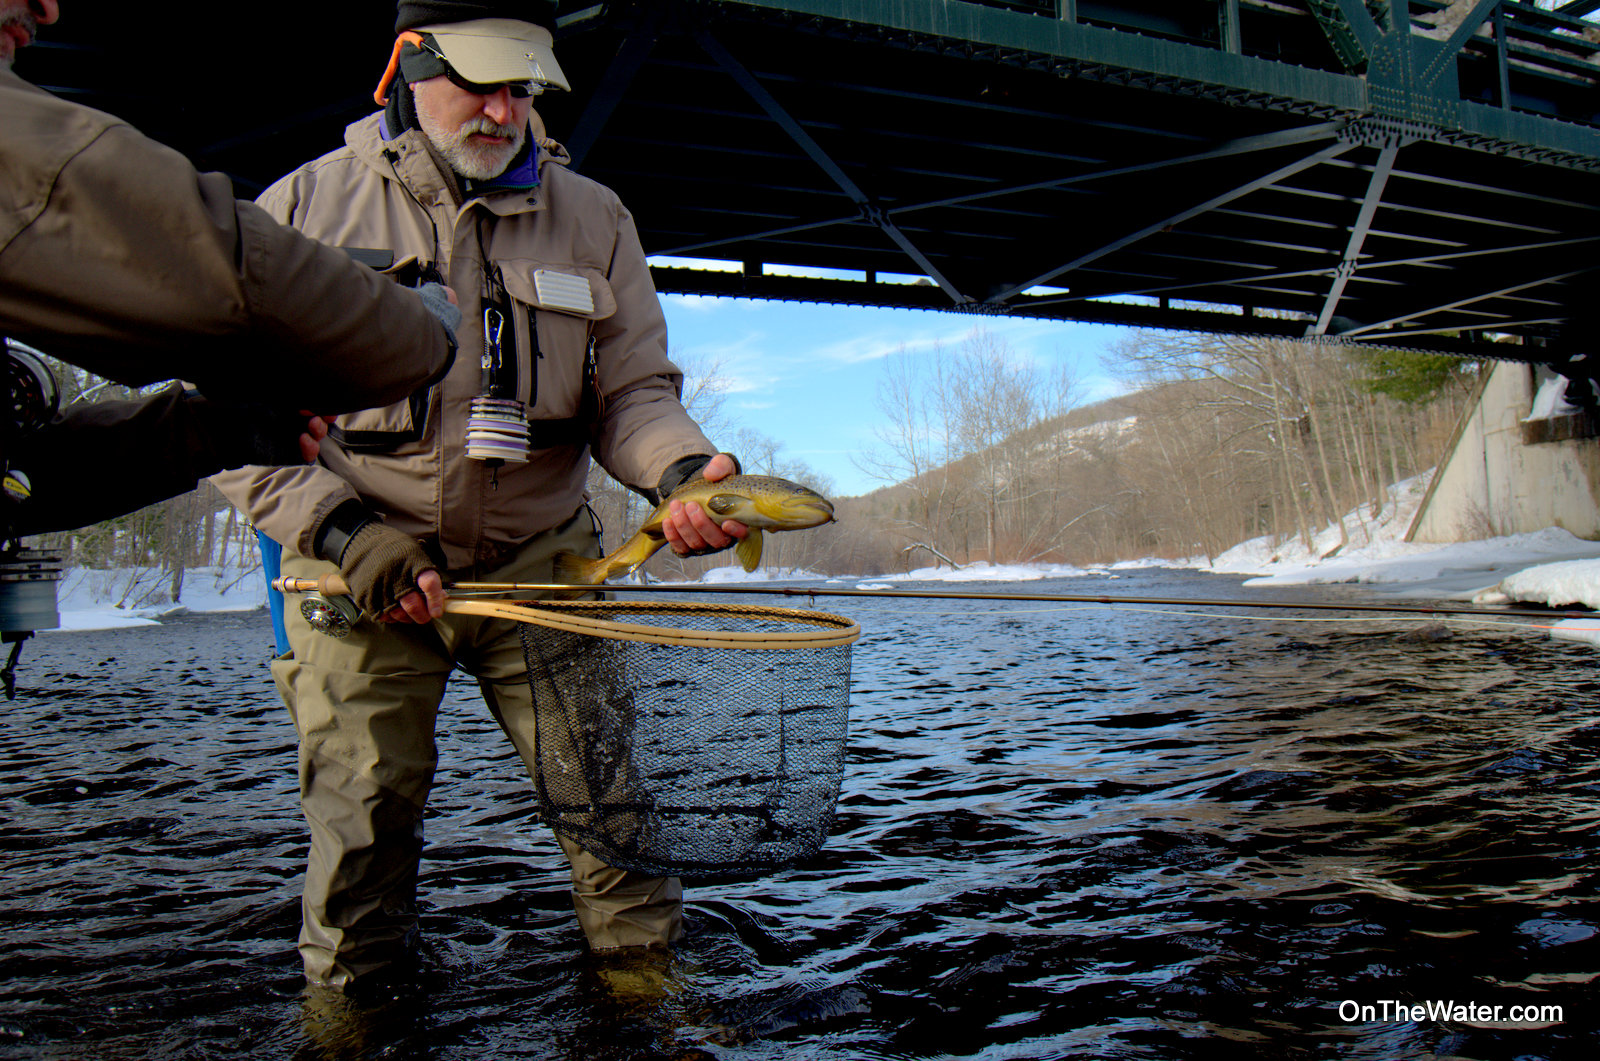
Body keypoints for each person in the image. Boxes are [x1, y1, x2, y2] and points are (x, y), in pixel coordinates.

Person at [210, 1, 749, 989]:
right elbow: (228, 423)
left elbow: (634, 391)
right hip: (356, 566)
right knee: (363, 827)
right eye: (480, 83)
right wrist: (346, 532)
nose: (505, 111)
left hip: (547, 563)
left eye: (523, 87)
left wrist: (680, 470)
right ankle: (349, 1024)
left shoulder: (598, 217)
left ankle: (648, 1008)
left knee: (613, 810)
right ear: (407, 67)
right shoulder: (297, 210)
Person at [0, 0, 461, 537]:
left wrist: (211, 430)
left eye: (522, 90)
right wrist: (414, 331)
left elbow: (22, 480)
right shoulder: (300, 195)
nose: (47, 8)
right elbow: (212, 276)